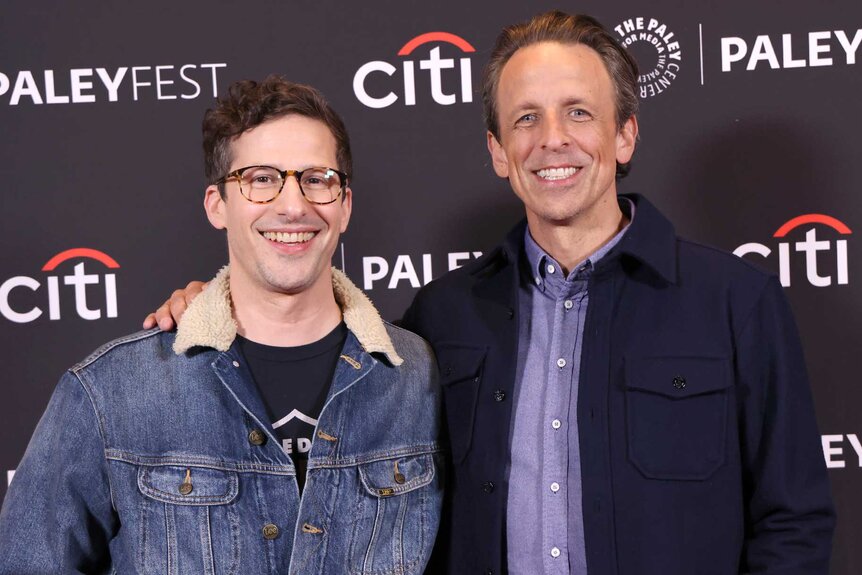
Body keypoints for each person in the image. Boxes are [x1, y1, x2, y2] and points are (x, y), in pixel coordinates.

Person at [145, 11, 835, 574]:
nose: (552, 140)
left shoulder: (736, 303)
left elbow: (793, 521)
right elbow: (321, 380)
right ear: (499, 150)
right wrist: (219, 303)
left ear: (624, 134)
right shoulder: (442, 316)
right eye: (526, 119)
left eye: (579, 113)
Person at [0, 76, 443, 574]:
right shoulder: (110, 392)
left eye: (317, 179)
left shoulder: (416, 377)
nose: (294, 205)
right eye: (260, 178)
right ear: (217, 206)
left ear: (345, 205)